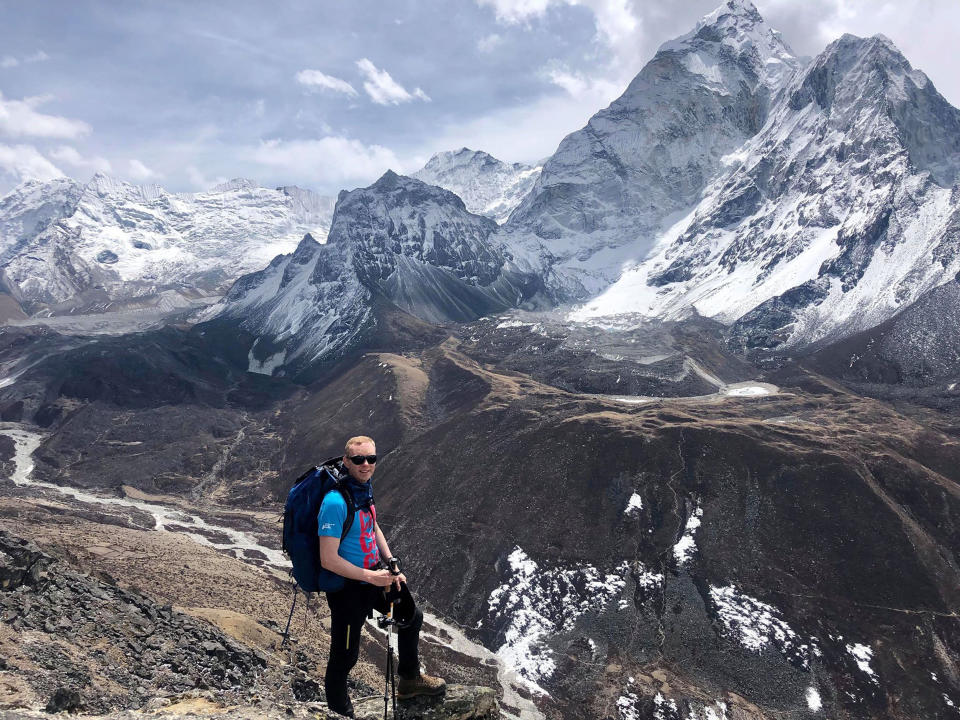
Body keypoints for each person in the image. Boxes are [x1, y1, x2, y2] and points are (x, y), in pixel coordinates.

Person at [318, 435, 446, 717]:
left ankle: (410, 680)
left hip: (375, 576)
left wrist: (391, 564)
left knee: (412, 616)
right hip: (347, 589)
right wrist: (371, 577)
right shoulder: (334, 502)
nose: (366, 465)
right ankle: (340, 713)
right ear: (346, 461)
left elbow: (373, 529)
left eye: (371, 459)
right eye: (359, 460)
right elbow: (328, 560)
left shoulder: (363, 491)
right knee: (345, 656)